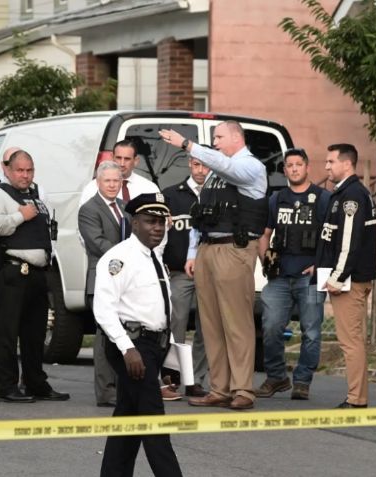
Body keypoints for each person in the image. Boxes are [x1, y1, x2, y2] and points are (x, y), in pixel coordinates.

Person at [158, 121, 268, 410]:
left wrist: (187, 145)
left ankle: (243, 389)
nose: (215, 142)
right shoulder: (215, 175)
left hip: (234, 249)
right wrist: (194, 253)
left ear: (236, 137)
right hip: (208, 249)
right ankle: (220, 388)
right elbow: (200, 215)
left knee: (237, 323)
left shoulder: (251, 167)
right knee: (211, 325)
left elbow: (227, 167)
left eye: (218, 137)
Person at [92, 193, 183, 477]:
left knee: (128, 417)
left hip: (155, 344)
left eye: (161, 222)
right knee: (153, 421)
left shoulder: (154, 256)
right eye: (150, 222)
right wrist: (126, 348)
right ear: (134, 223)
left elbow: (161, 311)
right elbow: (103, 309)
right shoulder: (119, 258)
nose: (157, 228)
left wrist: (172, 359)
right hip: (132, 345)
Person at [0, 150, 70, 403]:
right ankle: (6, 386)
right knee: (7, 333)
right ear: (7, 169)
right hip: (12, 272)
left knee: (35, 334)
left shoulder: (37, 195)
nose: (25, 175)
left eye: (29, 170)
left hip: (38, 274)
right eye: (20, 170)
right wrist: (20, 216)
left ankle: (35, 383)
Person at [255, 148, 331, 401]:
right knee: (271, 326)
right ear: (284, 169)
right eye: (290, 165)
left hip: (310, 276)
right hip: (280, 277)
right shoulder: (276, 199)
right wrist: (266, 260)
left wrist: (320, 265)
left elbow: (332, 238)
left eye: (299, 164)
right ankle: (276, 377)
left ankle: (302, 381)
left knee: (311, 331)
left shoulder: (322, 199)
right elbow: (264, 235)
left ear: (307, 167)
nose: (295, 169)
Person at [316, 143, 376, 408]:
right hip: (345, 277)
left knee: (350, 342)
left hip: (348, 281)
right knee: (353, 340)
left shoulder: (351, 196)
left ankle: (356, 399)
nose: (327, 167)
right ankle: (357, 396)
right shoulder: (344, 193)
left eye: (331, 162)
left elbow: (349, 242)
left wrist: (337, 277)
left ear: (347, 164)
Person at [79, 161, 131, 407]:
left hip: (125, 282)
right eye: (107, 181)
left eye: (116, 181)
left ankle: (123, 388)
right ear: (98, 182)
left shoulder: (124, 207)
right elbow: (98, 244)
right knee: (104, 339)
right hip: (101, 281)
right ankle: (106, 392)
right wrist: (131, 255)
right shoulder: (89, 209)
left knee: (123, 334)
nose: (112, 185)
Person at [160, 155, 211, 398]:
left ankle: (196, 379)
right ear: (190, 165)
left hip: (211, 273)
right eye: (197, 165)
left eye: (206, 165)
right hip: (180, 272)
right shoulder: (171, 195)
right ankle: (171, 378)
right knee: (175, 324)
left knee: (207, 328)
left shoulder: (217, 195)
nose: (201, 170)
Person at [78, 140, 159, 206]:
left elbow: (161, 222)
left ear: (136, 161)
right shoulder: (93, 188)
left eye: (127, 159)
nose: (122, 163)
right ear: (112, 157)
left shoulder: (149, 188)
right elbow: (84, 221)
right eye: (118, 158)